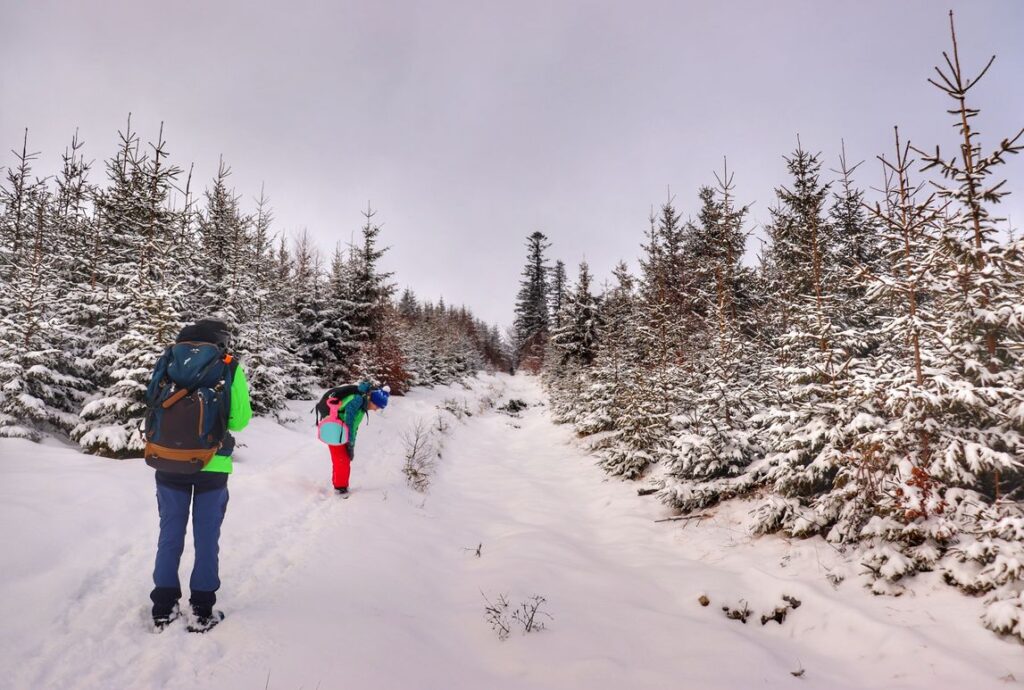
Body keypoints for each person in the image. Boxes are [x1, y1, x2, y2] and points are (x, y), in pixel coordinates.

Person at [147, 319, 252, 632]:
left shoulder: (167, 360)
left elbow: (151, 402)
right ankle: (202, 610)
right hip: (212, 465)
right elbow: (240, 420)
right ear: (221, 342)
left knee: (169, 535)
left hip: (167, 461)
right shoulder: (229, 366)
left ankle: (163, 608)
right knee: (207, 539)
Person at [320, 382, 389, 494]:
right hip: (335, 429)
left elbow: (354, 427)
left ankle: (339, 485)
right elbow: (349, 420)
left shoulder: (362, 405)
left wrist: (351, 445)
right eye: (377, 406)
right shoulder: (358, 400)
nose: (376, 410)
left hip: (341, 432)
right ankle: (340, 489)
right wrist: (350, 443)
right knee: (341, 460)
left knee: (341, 459)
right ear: (372, 401)